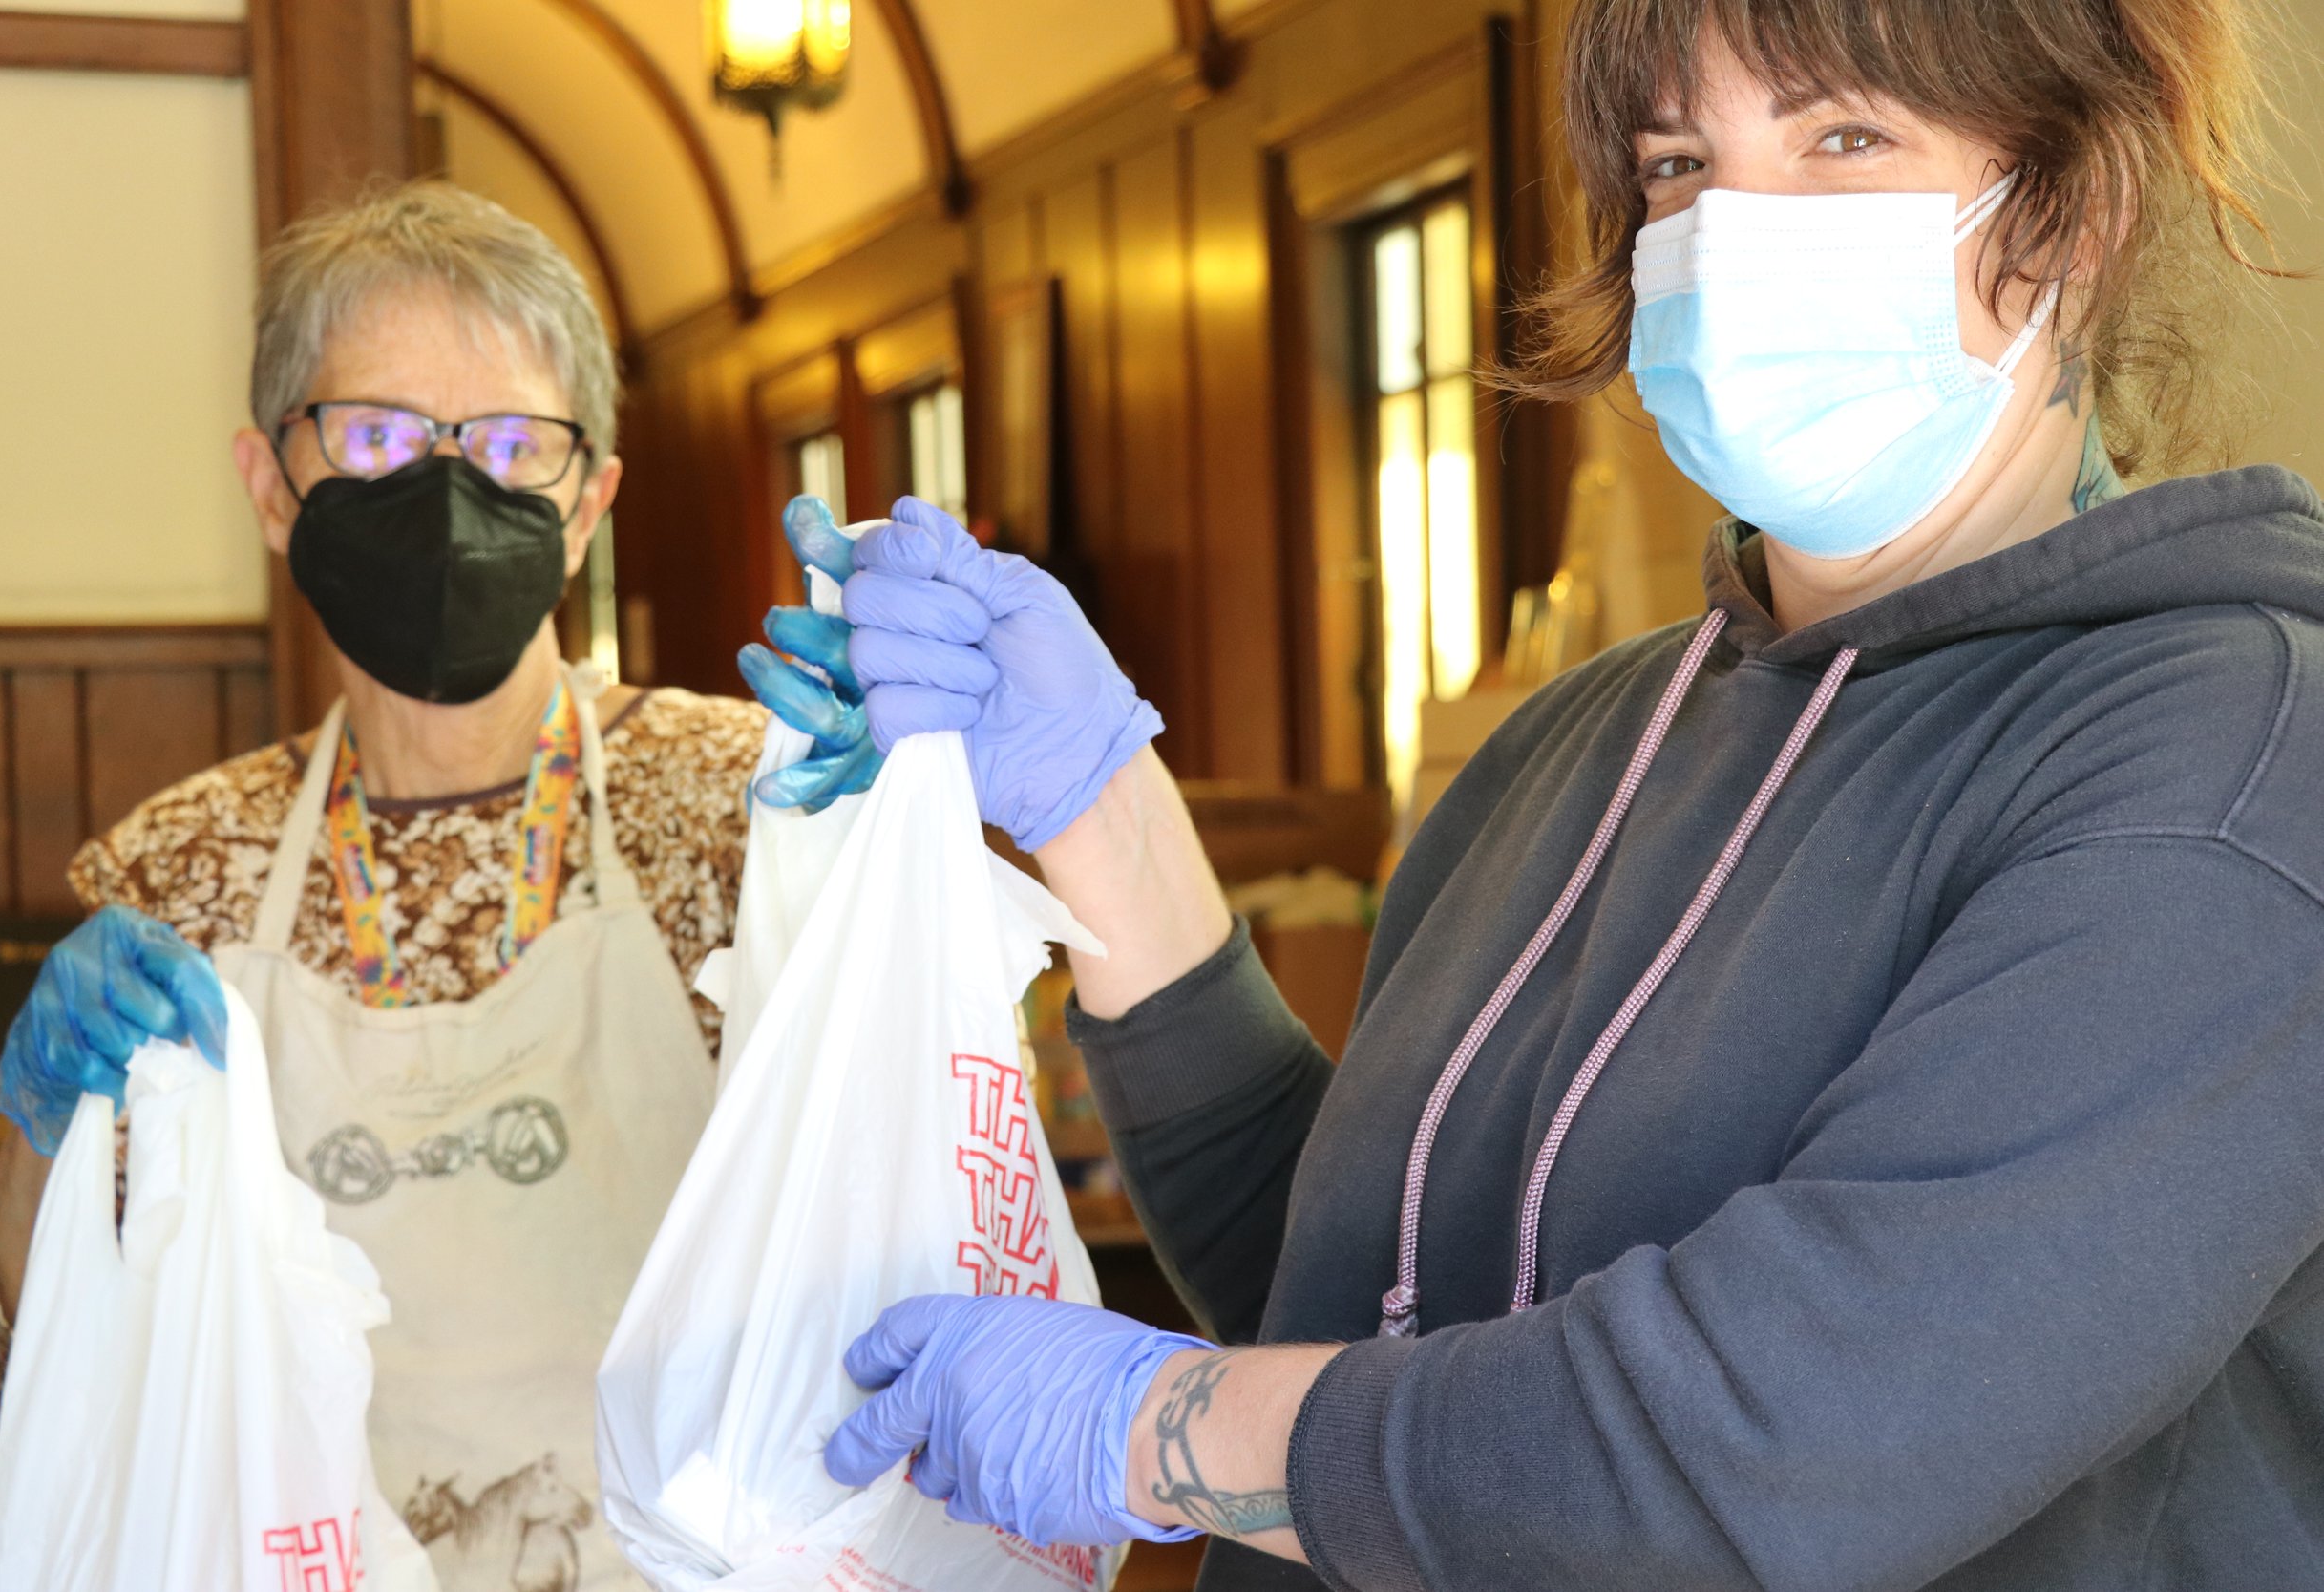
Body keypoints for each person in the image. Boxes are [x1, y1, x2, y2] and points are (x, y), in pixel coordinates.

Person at [745, 0, 2324, 1586]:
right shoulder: (1571, 744)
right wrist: (1097, 803)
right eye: (1681, 162)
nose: (1735, 227)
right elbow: (1345, 1301)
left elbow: (1782, 1448)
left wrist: (1162, 1425)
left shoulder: (2229, 761)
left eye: (1844, 136)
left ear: (2072, 212)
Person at [0, 181, 765, 1590]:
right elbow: (14, 1365)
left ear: (584, 509)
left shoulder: (735, 811)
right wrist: (37, 1139)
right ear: (273, 488)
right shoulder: (183, 872)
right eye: (379, 436)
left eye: (512, 443)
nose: (448, 491)